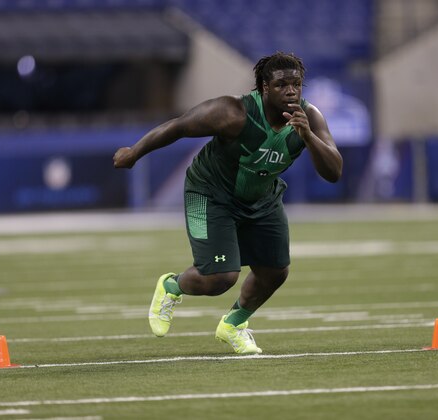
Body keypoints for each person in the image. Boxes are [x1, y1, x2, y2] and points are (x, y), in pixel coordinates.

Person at [113, 52, 343, 354]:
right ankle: (171, 286)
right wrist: (134, 152)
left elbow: (334, 172)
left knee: (275, 272)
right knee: (220, 278)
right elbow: (178, 126)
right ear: (262, 87)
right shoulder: (233, 112)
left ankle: (233, 324)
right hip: (208, 194)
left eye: (296, 84)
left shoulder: (309, 118)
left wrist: (309, 137)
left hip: (261, 197)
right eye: (281, 84)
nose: (290, 91)